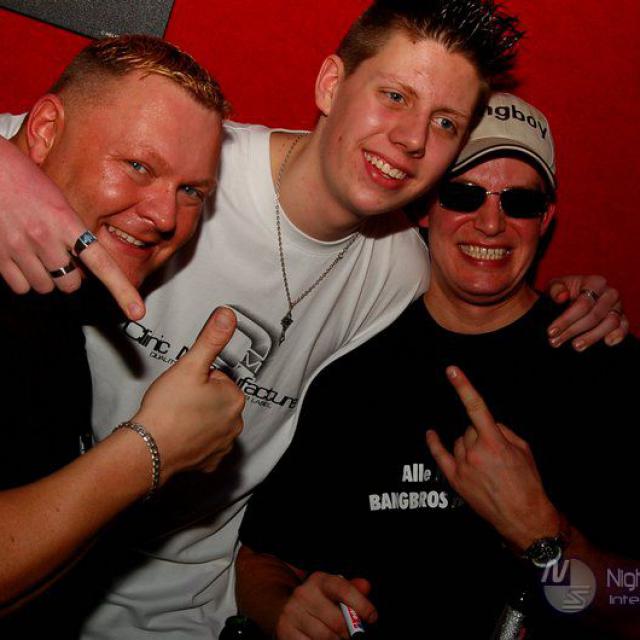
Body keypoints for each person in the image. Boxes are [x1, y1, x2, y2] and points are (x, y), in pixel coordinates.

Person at [0, 2, 628, 637]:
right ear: (331, 84)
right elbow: (47, 142)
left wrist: (583, 302)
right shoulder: (189, 163)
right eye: (394, 96)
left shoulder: (403, 272)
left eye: (445, 123)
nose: (413, 139)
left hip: (182, 616)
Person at [236, 93, 638, 639]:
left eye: (519, 202)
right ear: (426, 207)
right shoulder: (353, 366)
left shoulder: (607, 370)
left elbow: (632, 600)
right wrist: (284, 608)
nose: (491, 224)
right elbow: (262, 558)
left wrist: (543, 538)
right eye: (463, 194)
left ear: (546, 218)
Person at [0, 35, 245, 635]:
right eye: (138, 165)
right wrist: (152, 449)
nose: (165, 216)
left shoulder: (56, 294)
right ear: (45, 130)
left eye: (192, 192)